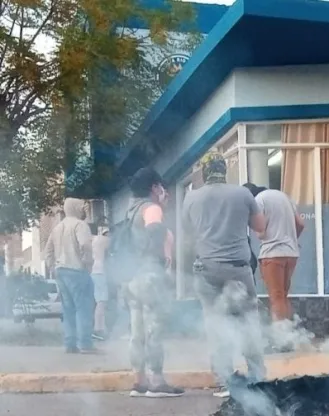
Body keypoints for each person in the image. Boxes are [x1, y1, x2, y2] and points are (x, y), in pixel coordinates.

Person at [183, 153, 267, 397]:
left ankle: (224, 380)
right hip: (238, 268)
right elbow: (260, 227)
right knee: (248, 320)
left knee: (215, 323)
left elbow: (187, 237)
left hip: (206, 268)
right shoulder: (242, 194)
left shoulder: (192, 197)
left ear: (205, 171)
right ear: (224, 169)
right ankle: (257, 377)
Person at [117, 168, 185, 397]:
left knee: (137, 331)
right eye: (161, 187)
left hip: (133, 277)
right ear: (154, 187)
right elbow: (155, 230)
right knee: (154, 328)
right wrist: (158, 258)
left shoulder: (131, 209)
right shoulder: (151, 208)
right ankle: (156, 380)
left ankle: (140, 381)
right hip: (149, 275)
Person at [245, 183, 305, 332]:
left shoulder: (258, 200)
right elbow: (301, 224)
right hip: (291, 253)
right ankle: (291, 336)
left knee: (276, 297)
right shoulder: (284, 197)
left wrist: (261, 234)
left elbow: (260, 230)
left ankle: (281, 339)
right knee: (283, 296)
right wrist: (291, 239)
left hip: (272, 253)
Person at [45, 199, 97, 354]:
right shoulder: (80, 225)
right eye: (82, 208)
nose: (84, 211)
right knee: (84, 307)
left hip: (61, 272)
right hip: (77, 270)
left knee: (68, 309)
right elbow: (85, 245)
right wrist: (88, 263)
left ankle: (70, 344)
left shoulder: (57, 228)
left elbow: (48, 251)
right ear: (75, 208)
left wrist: (52, 267)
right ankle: (85, 344)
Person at [91, 226, 110, 341]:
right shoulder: (103, 240)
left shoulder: (93, 240)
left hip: (93, 271)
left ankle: (99, 328)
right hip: (100, 272)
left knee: (98, 301)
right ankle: (99, 329)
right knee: (101, 301)